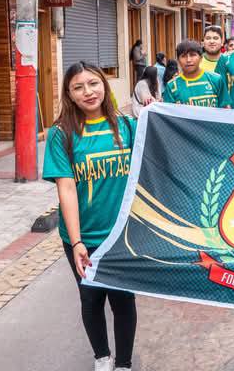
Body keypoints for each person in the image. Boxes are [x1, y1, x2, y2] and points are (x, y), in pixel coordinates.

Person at [42, 62, 137, 371]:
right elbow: (67, 188)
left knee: (123, 300)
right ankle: (102, 357)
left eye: (93, 83)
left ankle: (123, 363)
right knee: (91, 298)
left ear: (104, 85)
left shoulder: (128, 126)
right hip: (84, 237)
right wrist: (77, 242)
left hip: (122, 235)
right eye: (78, 87)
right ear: (69, 94)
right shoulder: (61, 134)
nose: (88, 92)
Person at [163, 40, 229, 108]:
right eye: (183, 56)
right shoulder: (172, 86)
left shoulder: (216, 80)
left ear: (201, 58)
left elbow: (225, 108)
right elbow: (167, 113)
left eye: (192, 55)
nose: (188, 60)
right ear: (178, 60)